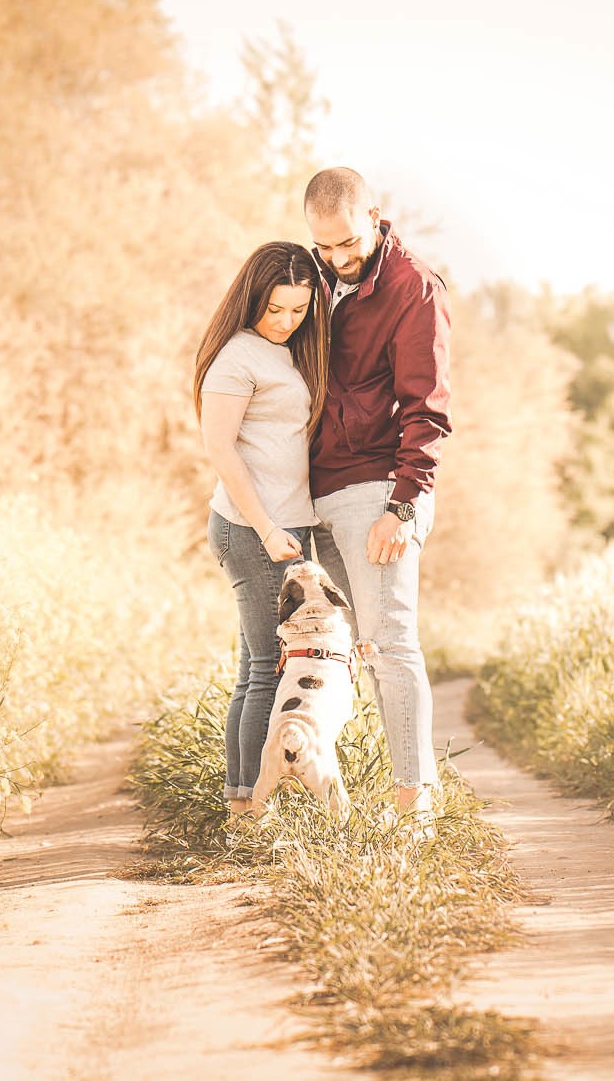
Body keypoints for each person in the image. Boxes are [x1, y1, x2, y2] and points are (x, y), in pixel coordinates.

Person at [302, 167, 453, 820]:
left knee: (391, 643)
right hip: (317, 490)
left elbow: (429, 407)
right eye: (322, 244)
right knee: (362, 650)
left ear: (374, 217)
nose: (335, 257)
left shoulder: (412, 286)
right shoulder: (308, 277)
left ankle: (413, 808)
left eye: (345, 243)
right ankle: (410, 789)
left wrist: (403, 503)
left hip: (380, 486)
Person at [193, 241, 331, 818]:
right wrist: (269, 529)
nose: (284, 321)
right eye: (274, 308)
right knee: (265, 672)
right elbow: (220, 449)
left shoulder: (288, 353)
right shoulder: (236, 356)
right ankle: (248, 811)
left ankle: (244, 801)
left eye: (297, 311)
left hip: (285, 526)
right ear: (252, 298)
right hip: (251, 529)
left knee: (260, 667)